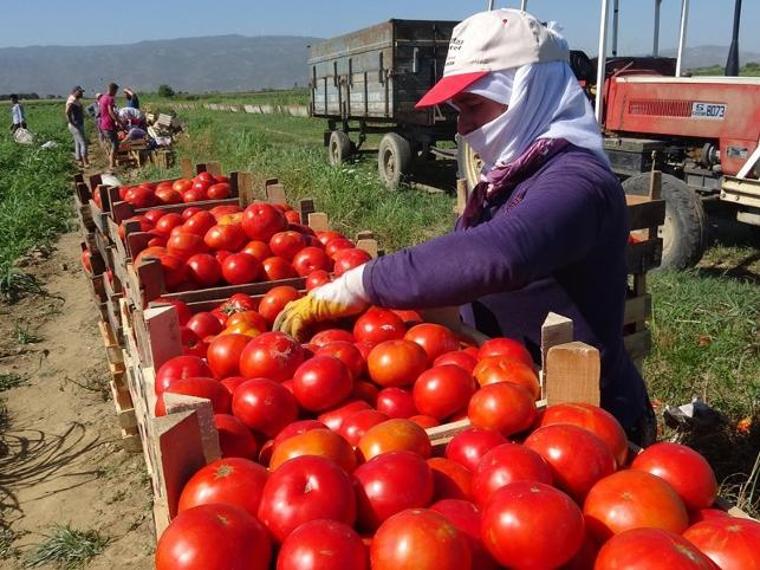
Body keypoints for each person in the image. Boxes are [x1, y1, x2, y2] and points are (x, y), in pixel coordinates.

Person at [274, 9, 655, 445]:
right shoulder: (514, 173)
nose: (461, 125)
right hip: (515, 394)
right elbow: (467, 255)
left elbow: (501, 254)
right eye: (458, 108)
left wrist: (360, 283)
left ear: (529, 92)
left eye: (472, 105)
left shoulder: (579, 182)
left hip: (587, 420)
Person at [65, 86, 90, 168]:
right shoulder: (72, 100)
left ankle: (79, 160)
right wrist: (72, 122)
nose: (82, 93)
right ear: (75, 92)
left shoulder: (76, 100)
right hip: (76, 125)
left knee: (78, 143)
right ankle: (85, 161)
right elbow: (67, 112)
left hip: (78, 124)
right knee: (83, 143)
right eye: (80, 92)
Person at [99, 82, 121, 169]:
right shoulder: (110, 99)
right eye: (116, 91)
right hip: (109, 124)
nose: (116, 93)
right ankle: (112, 164)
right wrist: (119, 121)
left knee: (111, 144)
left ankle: (112, 162)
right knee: (115, 144)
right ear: (113, 90)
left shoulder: (102, 98)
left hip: (103, 124)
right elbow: (111, 112)